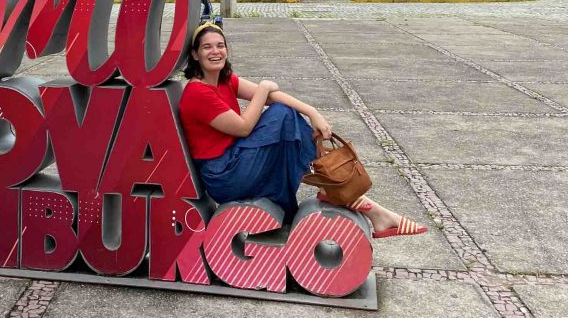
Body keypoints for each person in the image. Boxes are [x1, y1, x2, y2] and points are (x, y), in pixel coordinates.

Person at [178, 22, 428, 239]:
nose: (215, 51)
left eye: (220, 45)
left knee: (285, 112)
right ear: (195, 54)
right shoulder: (197, 93)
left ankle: (335, 188)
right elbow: (244, 128)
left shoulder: (224, 80)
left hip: (238, 162)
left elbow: (275, 97)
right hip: (224, 175)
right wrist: (263, 88)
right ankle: (335, 187)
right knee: (281, 115)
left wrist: (312, 112)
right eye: (207, 47)